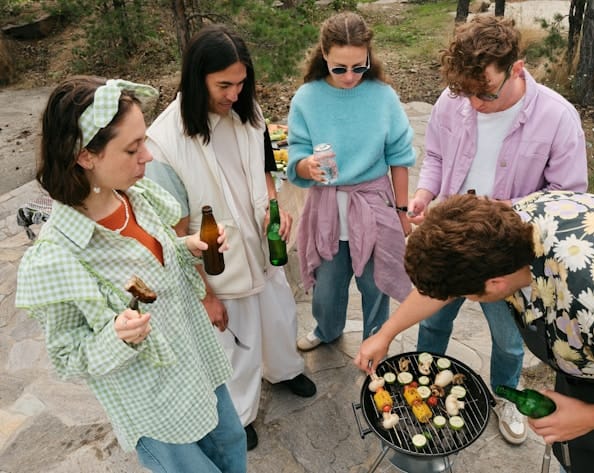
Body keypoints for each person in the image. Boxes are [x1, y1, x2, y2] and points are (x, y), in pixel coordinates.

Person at [355, 191, 594, 473]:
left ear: (496, 283)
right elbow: (450, 277)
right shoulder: (507, 225)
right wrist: (387, 331)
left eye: (465, 294)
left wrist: (593, 418)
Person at [15, 76, 246, 472]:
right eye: (132, 148)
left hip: (199, 366)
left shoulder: (136, 198)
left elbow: (150, 263)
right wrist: (116, 338)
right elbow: (69, 358)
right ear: (86, 156)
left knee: (232, 445)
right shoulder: (59, 256)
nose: (148, 157)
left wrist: (182, 248)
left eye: (145, 142)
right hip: (156, 406)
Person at [407, 15, 588, 445]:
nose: (474, 104)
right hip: (452, 243)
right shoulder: (454, 100)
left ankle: (505, 396)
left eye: (484, 93)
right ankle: (425, 383)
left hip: (507, 258)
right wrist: (424, 192)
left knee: (509, 343)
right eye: (465, 93)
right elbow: (433, 154)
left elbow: (569, 199)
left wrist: (502, 212)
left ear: (517, 68)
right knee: (432, 323)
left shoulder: (559, 118)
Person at [144, 24, 316, 451]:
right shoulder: (163, 142)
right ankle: (240, 413)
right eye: (224, 85)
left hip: (260, 240)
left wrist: (274, 210)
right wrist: (204, 293)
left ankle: (284, 369)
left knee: (279, 314)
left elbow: (263, 168)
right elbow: (172, 229)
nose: (234, 93)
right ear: (196, 78)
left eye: (241, 83)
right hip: (217, 260)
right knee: (235, 341)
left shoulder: (246, 109)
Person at [286, 11, 416, 352]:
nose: (349, 77)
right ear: (324, 56)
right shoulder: (307, 98)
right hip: (326, 207)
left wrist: (402, 211)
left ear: (369, 56)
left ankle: (375, 340)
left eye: (359, 66)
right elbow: (295, 156)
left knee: (377, 283)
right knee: (327, 286)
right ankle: (326, 329)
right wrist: (306, 167)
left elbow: (399, 157)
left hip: (373, 203)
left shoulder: (383, 96)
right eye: (339, 68)